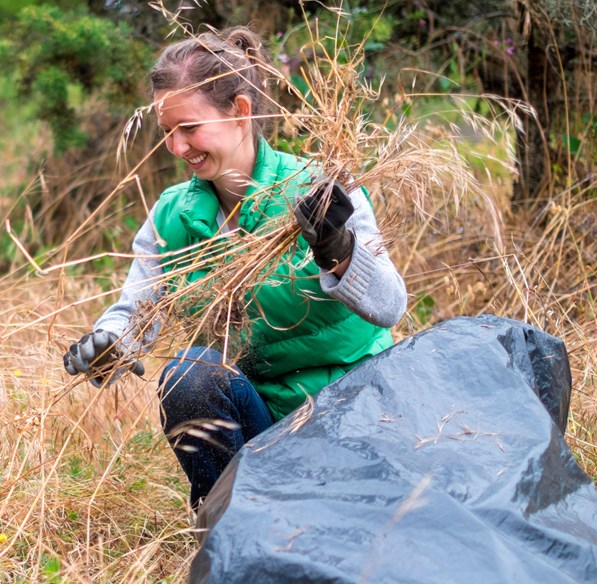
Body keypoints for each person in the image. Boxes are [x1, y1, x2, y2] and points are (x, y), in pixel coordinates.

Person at [63, 27, 407, 510]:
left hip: (352, 421)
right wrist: (109, 345)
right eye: (167, 132)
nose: (177, 147)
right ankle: (232, 525)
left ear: (241, 112)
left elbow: (391, 305)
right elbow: (137, 310)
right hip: (263, 428)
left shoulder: (318, 189)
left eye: (189, 128)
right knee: (189, 376)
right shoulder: (171, 216)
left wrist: (339, 249)